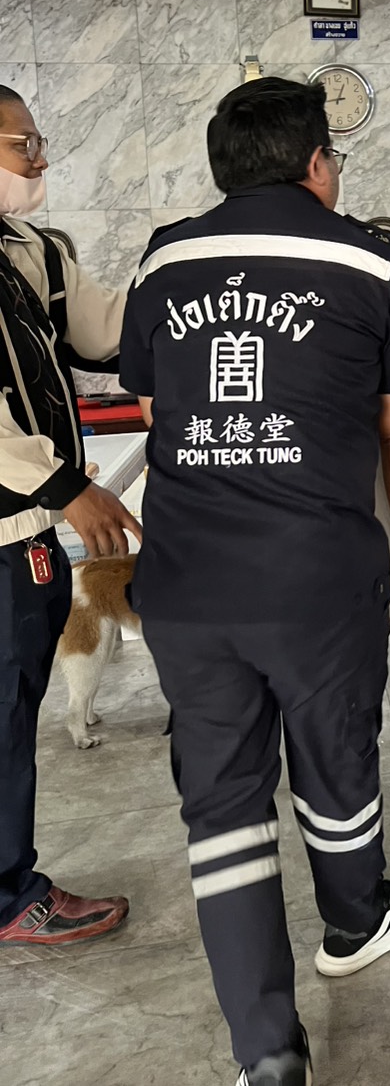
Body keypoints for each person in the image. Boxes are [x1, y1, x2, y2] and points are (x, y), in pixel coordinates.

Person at [119, 77, 390, 1086]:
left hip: (188, 582)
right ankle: (354, 921)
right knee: (335, 756)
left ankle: (266, 1054)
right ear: (316, 163)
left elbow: (155, 406)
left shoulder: (164, 259)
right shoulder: (372, 260)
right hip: (315, 579)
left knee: (222, 805)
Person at [0, 84, 136, 951]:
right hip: (9, 524)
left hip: (27, 534)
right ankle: (11, 896)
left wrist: (190, 273)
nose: (40, 157)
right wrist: (68, 489)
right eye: (22, 143)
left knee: (16, 708)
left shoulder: (32, 253)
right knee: (3, 720)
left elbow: (106, 329)